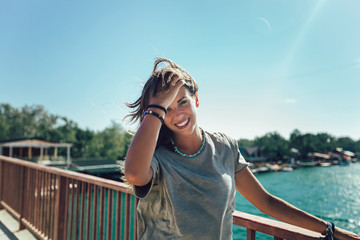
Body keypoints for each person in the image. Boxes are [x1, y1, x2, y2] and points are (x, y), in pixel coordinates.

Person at [124, 58, 359, 240]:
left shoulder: (225, 146)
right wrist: (156, 107)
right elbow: (134, 174)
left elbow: (266, 202)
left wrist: (330, 230)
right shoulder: (156, 158)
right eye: (167, 108)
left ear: (196, 100)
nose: (177, 115)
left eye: (182, 102)